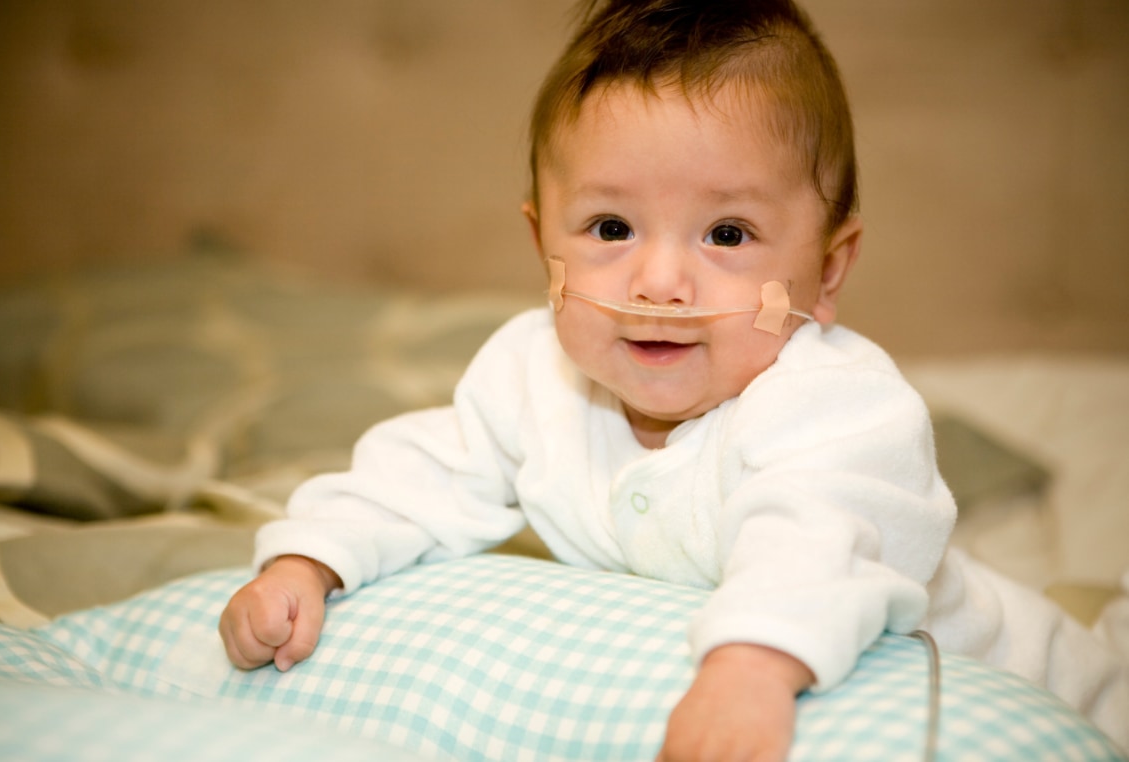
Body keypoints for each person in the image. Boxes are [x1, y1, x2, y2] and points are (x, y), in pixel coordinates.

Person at [219, 0, 1129, 757]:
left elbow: (811, 537)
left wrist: (751, 668)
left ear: (828, 271)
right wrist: (310, 558)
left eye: (726, 235)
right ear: (543, 243)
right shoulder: (533, 372)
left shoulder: (838, 405)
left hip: (1048, 684)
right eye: (610, 228)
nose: (658, 283)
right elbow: (421, 471)